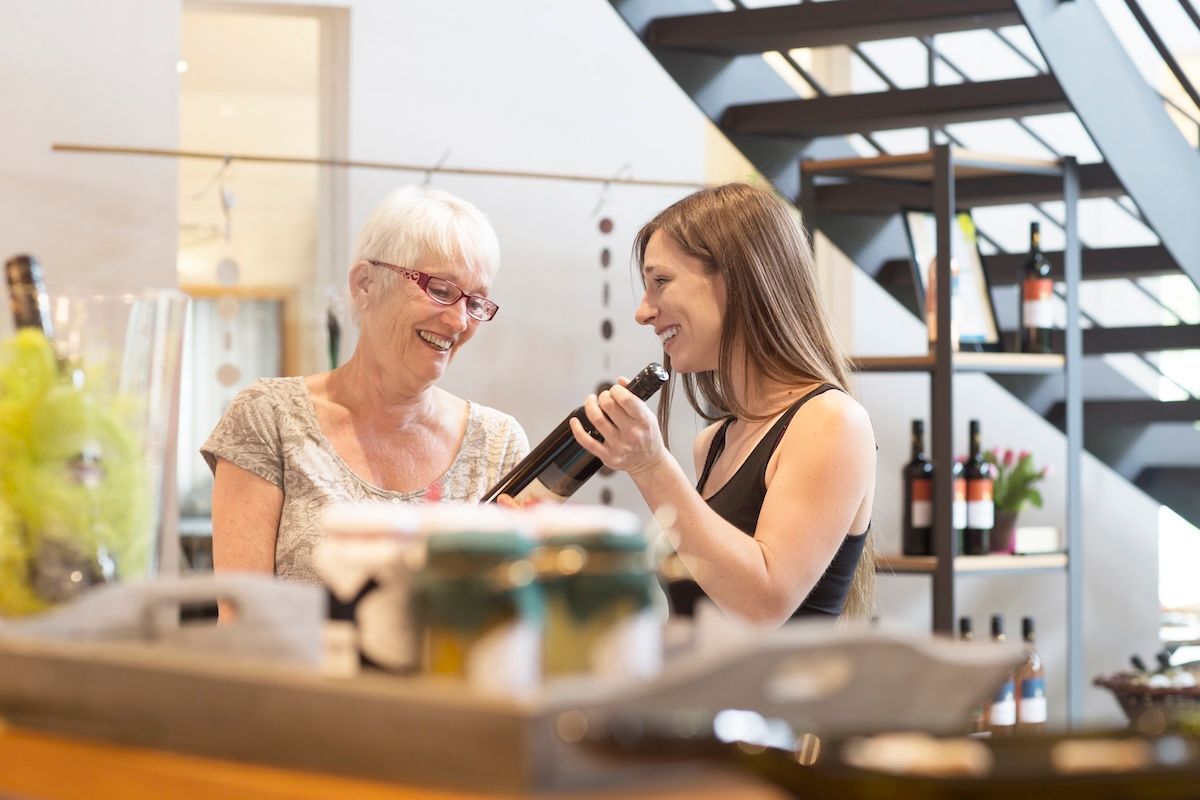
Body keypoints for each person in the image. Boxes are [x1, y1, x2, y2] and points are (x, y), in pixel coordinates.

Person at [568, 182, 876, 626]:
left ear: (739, 279)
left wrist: (651, 466)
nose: (643, 311)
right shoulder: (713, 443)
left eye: (661, 282)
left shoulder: (833, 421)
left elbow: (763, 602)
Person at [202, 187, 528, 588]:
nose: (460, 322)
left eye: (476, 302)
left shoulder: (498, 444)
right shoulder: (269, 417)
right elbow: (242, 621)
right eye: (441, 291)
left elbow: (518, 621)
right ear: (365, 284)